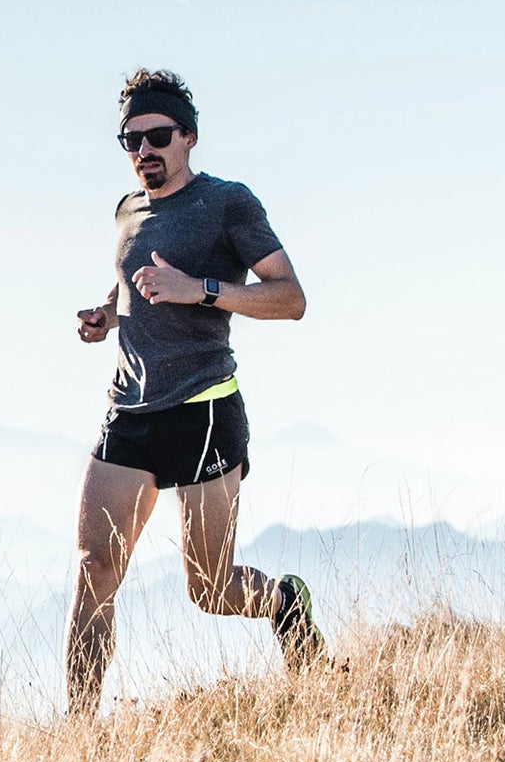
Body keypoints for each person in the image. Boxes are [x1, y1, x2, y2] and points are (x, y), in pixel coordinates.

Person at [67, 69, 322, 710]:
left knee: (209, 588)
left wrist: (201, 290)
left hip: (203, 408)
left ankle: (285, 602)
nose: (144, 151)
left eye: (157, 136)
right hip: (129, 410)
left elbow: (290, 298)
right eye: (131, 140)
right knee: (96, 567)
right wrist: (108, 315)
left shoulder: (227, 203)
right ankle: (75, 734)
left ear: (189, 137)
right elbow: (133, 280)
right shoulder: (128, 210)